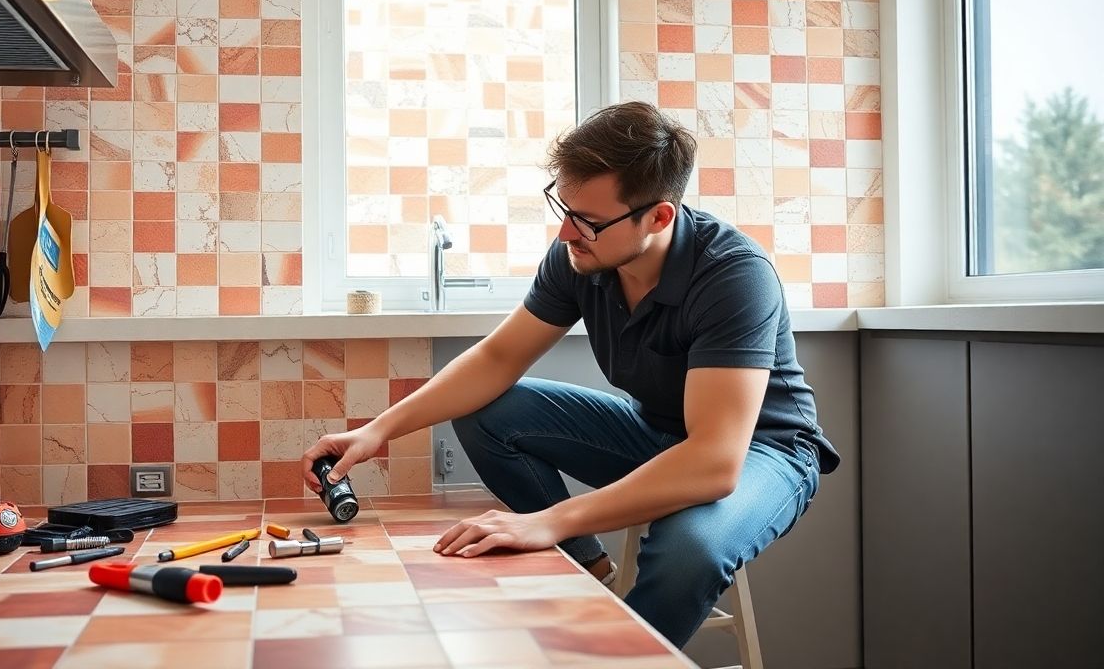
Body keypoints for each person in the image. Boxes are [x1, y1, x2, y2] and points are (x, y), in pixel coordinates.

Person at [301, 100, 840, 648]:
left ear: (658, 217)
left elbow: (714, 463)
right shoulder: (581, 256)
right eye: (563, 207)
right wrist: (376, 432)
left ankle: (611, 656)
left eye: (588, 221)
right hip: (656, 431)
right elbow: (495, 360)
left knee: (687, 551)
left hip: (762, 451)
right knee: (488, 409)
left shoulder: (733, 276)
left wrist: (553, 519)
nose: (566, 233)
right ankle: (590, 573)